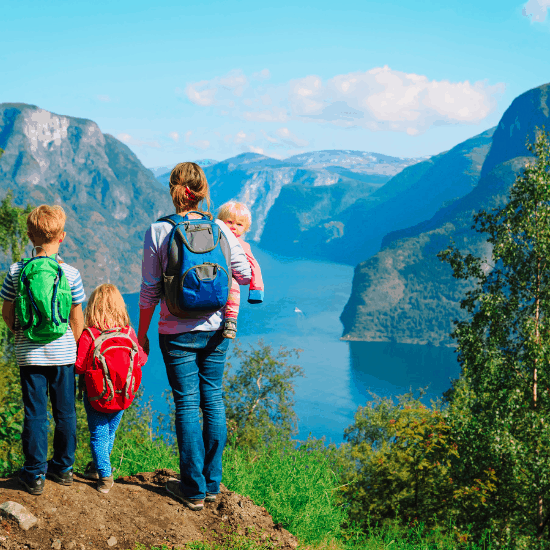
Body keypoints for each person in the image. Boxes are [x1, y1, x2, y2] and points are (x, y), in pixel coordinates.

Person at [138, 162, 251, 511]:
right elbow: (244, 275)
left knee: (187, 404)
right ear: (202, 190)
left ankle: (193, 489)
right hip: (217, 331)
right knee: (213, 401)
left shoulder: (158, 231)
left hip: (176, 333)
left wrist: (141, 333)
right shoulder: (221, 228)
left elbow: (149, 290)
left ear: (174, 190)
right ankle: (212, 484)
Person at [0, 205, 85, 495]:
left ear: (28, 236)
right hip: (63, 355)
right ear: (62, 237)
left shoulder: (16, 271)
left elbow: (7, 312)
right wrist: (69, 343)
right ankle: (63, 469)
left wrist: (21, 334)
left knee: (35, 413)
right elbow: (77, 319)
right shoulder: (70, 273)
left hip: (29, 355)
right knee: (65, 413)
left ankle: (35, 474)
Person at [75, 284, 148, 494]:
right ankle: (99, 469)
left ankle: (105, 475)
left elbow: (79, 367)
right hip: (123, 394)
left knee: (98, 434)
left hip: (96, 394)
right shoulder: (128, 332)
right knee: (109, 432)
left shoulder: (90, 334)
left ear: (93, 307)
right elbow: (141, 360)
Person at [216, 201, 264, 338]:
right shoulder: (213, 238)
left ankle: (231, 320)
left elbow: (254, 266)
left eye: (239, 224)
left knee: (234, 286)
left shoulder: (244, 245)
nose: (233, 227)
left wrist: (256, 291)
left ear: (246, 228)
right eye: (229, 222)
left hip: (227, 278)